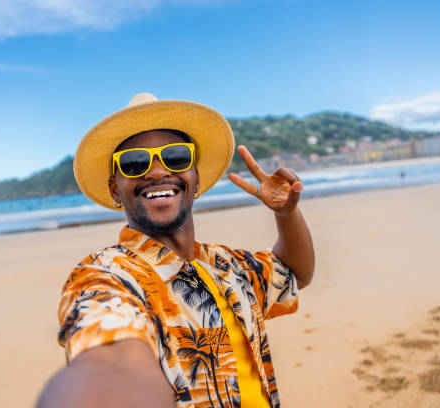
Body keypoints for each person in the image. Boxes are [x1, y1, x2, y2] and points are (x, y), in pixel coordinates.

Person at [37, 93, 314, 408]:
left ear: (195, 179)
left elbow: (295, 272)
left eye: (176, 157)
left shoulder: (225, 263)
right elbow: (108, 350)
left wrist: (286, 215)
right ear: (116, 189)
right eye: (134, 163)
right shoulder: (105, 276)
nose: (156, 172)